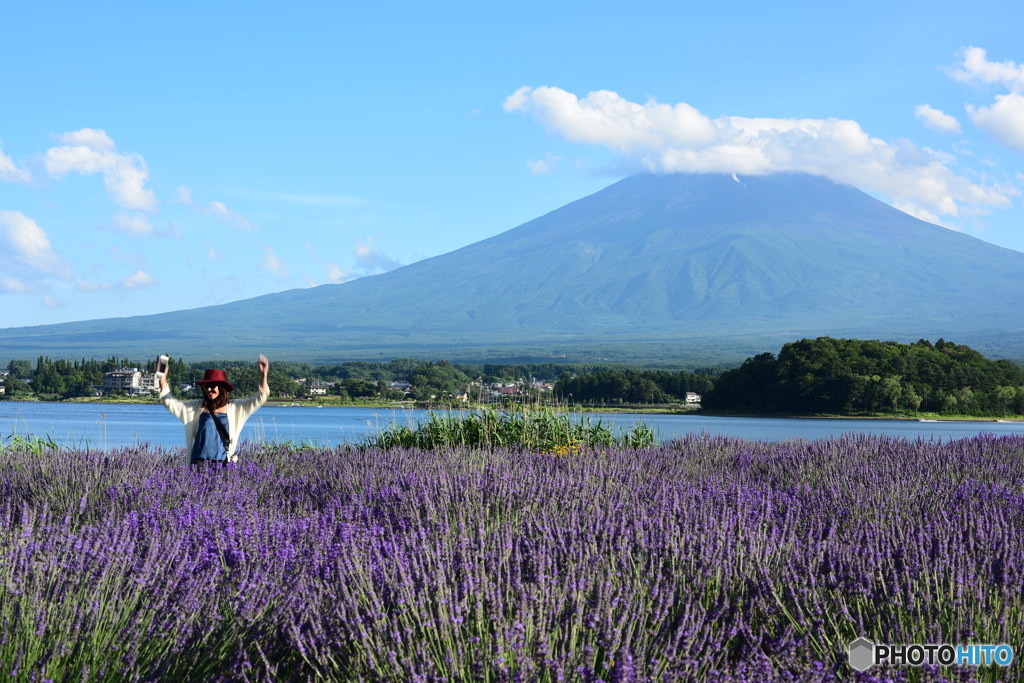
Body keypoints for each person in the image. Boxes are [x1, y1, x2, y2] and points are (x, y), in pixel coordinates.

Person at [158, 354, 270, 465]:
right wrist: (162, 378)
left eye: (212, 386)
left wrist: (263, 375)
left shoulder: (236, 408)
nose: (209, 390)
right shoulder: (196, 408)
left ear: (221, 388)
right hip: (199, 463)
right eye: (206, 386)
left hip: (223, 463)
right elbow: (169, 402)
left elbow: (260, 398)